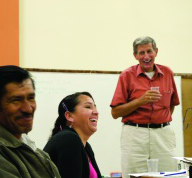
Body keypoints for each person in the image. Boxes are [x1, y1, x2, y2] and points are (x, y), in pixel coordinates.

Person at [110, 36, 180, 178]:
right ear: (135, 56)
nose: (146, 56)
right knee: (133, 175)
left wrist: (159, 122)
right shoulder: (126, 76)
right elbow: (115, 112)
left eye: (149, 51)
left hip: (163, 134)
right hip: (135, 135)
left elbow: (171, 105)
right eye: (141, 53)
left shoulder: (167, 73)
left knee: (169, 174)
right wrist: (140, 101)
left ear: (156, 52)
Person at [44, 92, 102, 178]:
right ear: (69, 116)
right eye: (88, 107)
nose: (96, 112)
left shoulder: (86, 147)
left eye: (95, 107)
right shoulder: (69, 140)